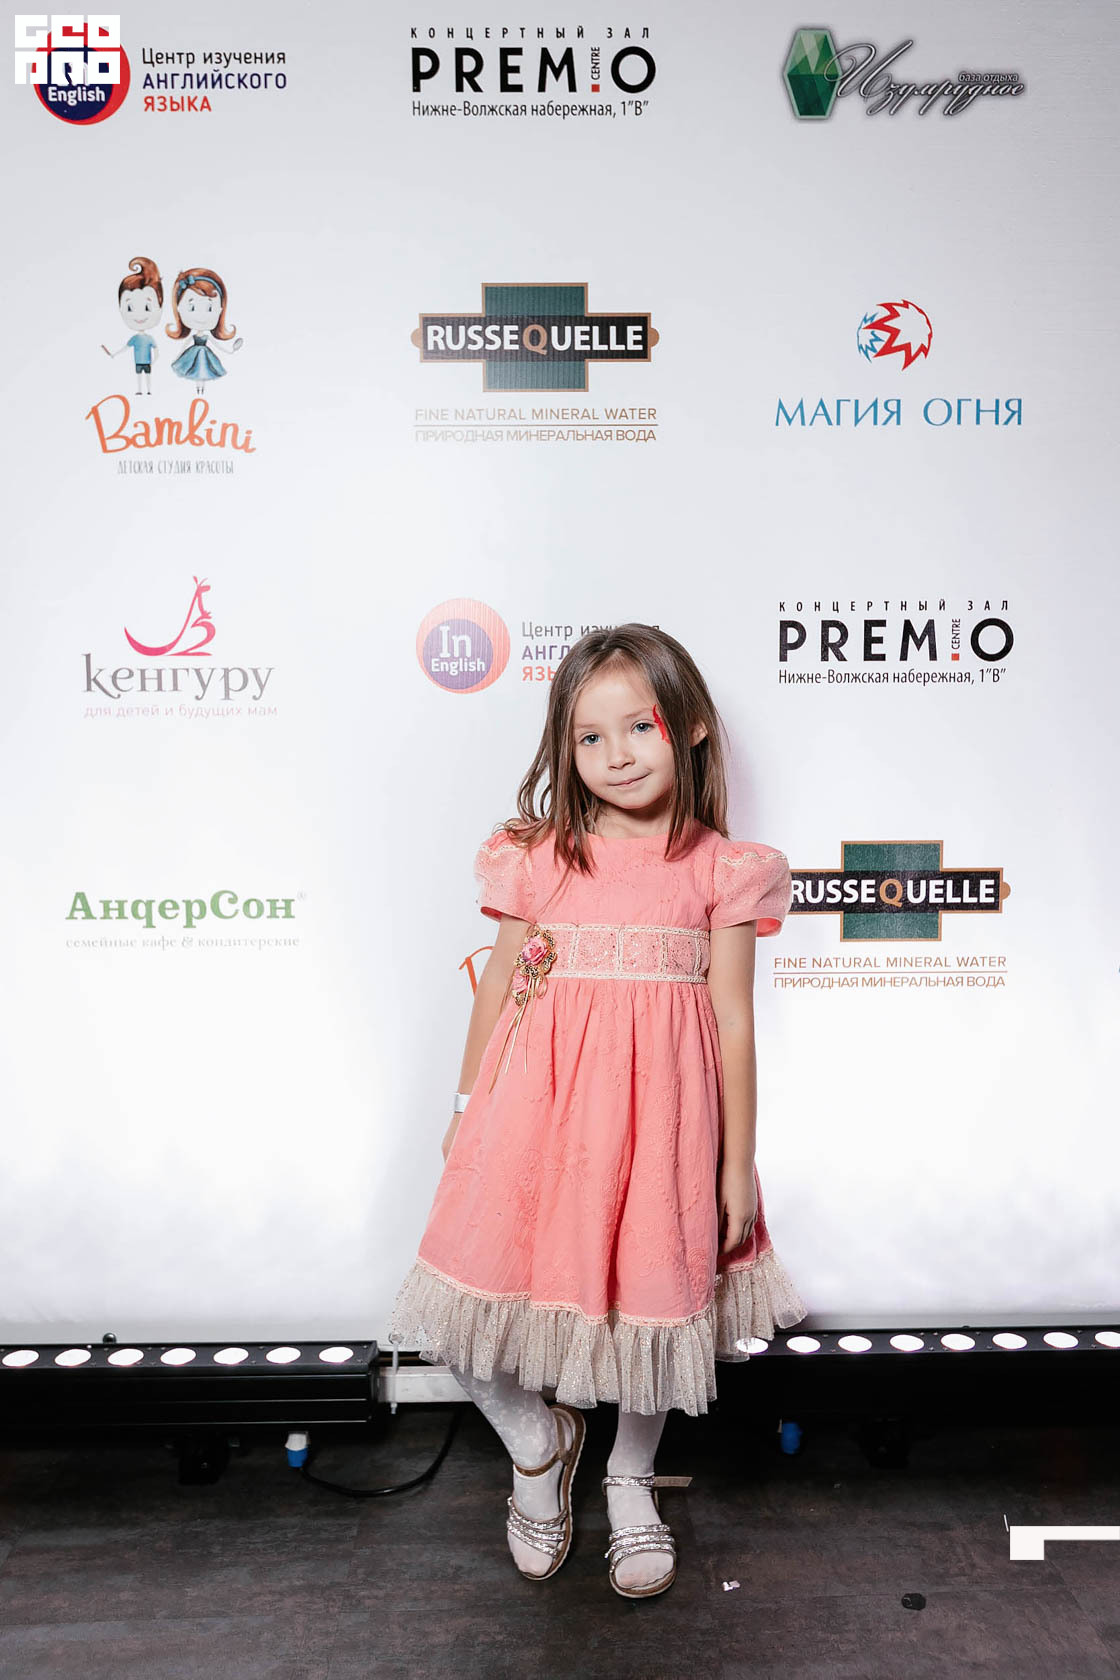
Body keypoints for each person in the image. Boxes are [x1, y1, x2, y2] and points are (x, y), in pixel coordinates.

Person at [388, 623, 807, 1598]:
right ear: (564, 747)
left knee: (651, 1299)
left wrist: (735, 1163)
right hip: (531, 1114)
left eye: (640, 726)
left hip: (662, 1128)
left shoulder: (720, 869)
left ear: (689, 727)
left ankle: (628, 1475)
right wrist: (465, 1104)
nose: (616, 754)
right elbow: (502, 986)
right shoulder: (539, 857)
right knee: (460, 1305)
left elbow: (733, 1022)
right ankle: (538, 1445)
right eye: (589, 736)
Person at [165, 267, 243, 396]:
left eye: (209, 308)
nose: (201, 316)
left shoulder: (207, 336)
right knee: (197, 373)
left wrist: (230, 351)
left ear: (220, 310)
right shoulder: (193, 337)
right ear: (179, 308)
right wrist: (176, 358)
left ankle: (201, 392)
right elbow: (183, 347)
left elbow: (217, 346)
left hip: (205, 356)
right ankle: (198, 391)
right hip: (193, 355)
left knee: (203, 372)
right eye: (192, 307)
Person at [101, 256, 162, 396]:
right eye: (129, 308)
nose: (139, 315)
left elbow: (157, 352)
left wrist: (153, 362)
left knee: (147, 376)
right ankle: (140, 390)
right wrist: (114, 354)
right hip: (139, 362)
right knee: (140, 376)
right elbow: (125, 348)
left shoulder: (149, 338)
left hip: (146, 362)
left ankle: (148, 391)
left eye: (147, 307)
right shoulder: (135, 338)